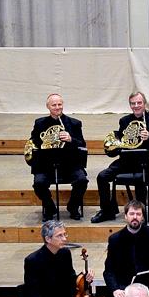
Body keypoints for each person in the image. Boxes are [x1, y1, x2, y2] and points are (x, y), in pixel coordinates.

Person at [92, 91, 149, 223]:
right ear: (130, 105)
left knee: (139, 178)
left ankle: (139, 213)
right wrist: (116, 147)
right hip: (127, 161)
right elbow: (122, 141)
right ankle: (107, 210)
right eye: (133, 103)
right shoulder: (125, 121)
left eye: (139, 103)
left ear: (144, 104)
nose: (136, 106)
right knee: (102, 176)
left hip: (147, 163)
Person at [28, 93, 88, 221]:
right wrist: (46, 141)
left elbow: (82, 144)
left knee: (82, 180)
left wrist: (71, 139)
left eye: (59, 104)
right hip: (46, 165)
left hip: (70, 165)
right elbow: (33, 142)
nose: (57, 107)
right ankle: (49, 207)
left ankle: (72, 207)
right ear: (48, 107)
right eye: (54, 105)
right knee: (38, 183)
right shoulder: (40, 123)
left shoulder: (74, 123)